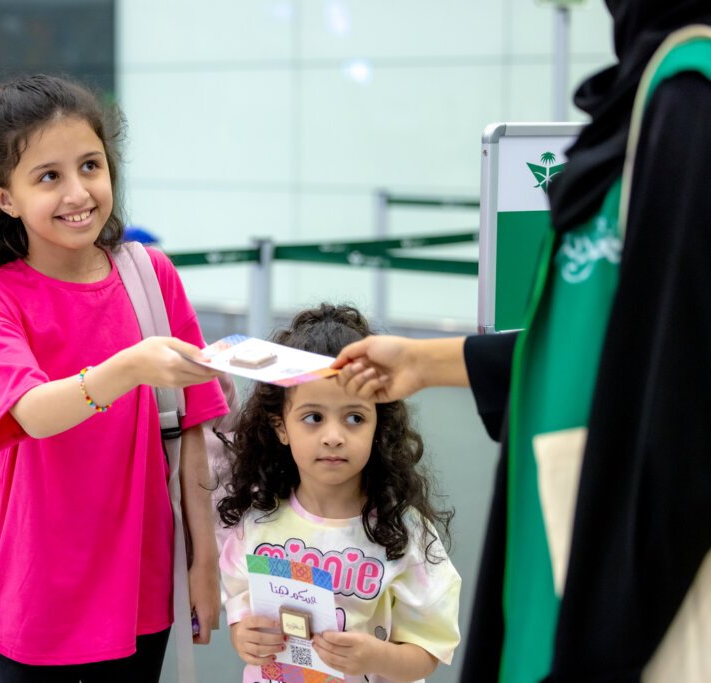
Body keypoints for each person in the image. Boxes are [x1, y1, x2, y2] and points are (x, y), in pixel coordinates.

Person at [332, 3, 711, 681]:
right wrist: (423, 360)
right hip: (581, 542)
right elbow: (608, 343)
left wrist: (604, 637)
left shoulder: (692, 100)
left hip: (634, 583)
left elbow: (682, 389)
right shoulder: (659, 89)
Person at [0, 74, 229, 683]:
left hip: (144, 583)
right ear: (5, 197)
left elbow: (194, 432)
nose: (78, 192)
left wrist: (204, 560)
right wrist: (130, 367)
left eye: (90, 166)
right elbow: (30, 412)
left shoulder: (151, 275)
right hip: (39, 592)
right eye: (48, 176)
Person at [217, 304, 461, 683]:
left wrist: (376, 657)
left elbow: (429, 652)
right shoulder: (256, 521)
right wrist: (243, 637)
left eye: (354, 418)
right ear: (281, 427)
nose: (333, 436)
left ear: (378, 426)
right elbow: (242, 614)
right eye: (313, 417)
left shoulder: (405, 531)